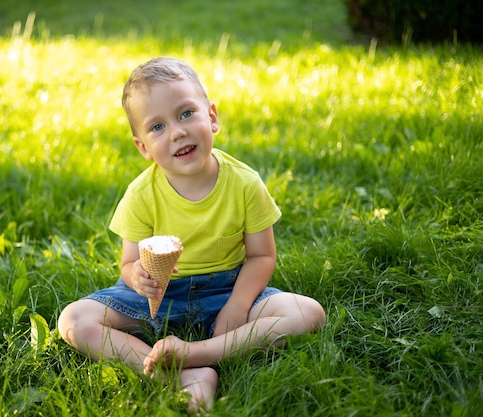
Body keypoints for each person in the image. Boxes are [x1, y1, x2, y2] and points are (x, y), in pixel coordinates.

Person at [58, 57, 326, 413]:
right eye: (157, 127)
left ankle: (199, 354)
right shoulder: (141, 194)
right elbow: (128, 262)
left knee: (308, 312)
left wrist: (238, 305)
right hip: (161, 296)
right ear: (142, 148)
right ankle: (179, 377)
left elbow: (262, 256)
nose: (176, 132)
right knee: (73, 320)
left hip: (227, 289)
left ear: (212, 117)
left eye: (186, 114)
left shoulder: (245, 184)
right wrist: (137, 278)